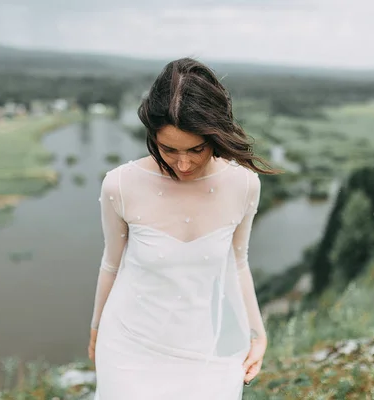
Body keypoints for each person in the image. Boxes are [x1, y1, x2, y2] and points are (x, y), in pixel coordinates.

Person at [88, 57, 281, 399]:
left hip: (212, 350)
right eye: (168, 149)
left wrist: (256, 331)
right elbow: (111, 265)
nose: (183, 163)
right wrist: (96, 329)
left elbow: (237, 264)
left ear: (216, 135)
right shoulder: (120, 185)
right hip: (130, 347)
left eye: (197, 149)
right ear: (152, 136)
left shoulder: (244, 185)